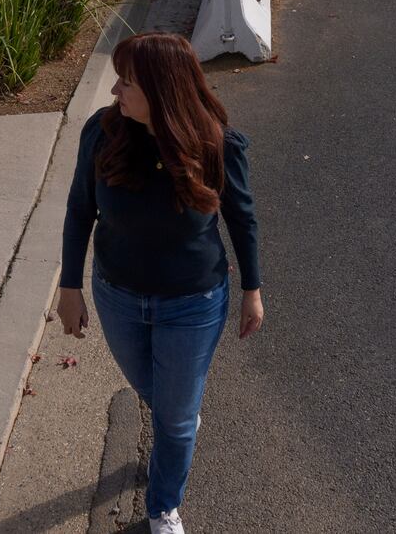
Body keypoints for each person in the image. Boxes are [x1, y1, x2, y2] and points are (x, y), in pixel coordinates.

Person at [58, 32, 263, 534]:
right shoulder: (103, 133)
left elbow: (242, 218)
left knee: (172, 419)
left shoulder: (214, 142)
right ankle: (180, 420)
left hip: (192, 303)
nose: (115, 92)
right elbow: (80, 209)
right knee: (163, 398)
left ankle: (163, 505)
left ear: (161, 89)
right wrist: (69, 285)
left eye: (126, 83)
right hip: (117, 294)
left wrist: (252, 290)